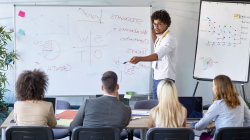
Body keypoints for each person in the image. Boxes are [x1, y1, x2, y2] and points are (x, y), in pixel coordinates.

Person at [130, 10, 178, 100]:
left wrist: (139, 59)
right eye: (154, 24)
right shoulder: (161, 36)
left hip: (165, 78)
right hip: (156, 76)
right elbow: (155, 40)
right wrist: (152, 27)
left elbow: (157, 55)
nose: (156, 27)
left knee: (164, 106)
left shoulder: (169, 39)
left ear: (166, 24)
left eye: (158, 24)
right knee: (156, 105)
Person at [191, 75, 250, 140]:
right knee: (212, 133)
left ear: (218, 88)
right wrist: (238, 130)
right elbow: (249, 119)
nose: (212, 88)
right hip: (237, 138)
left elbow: (200, 126)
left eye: (213, 86)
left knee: (203, 135)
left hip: (221, 138)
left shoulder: (217, 104)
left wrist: (194, 125)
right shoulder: (239, 98)